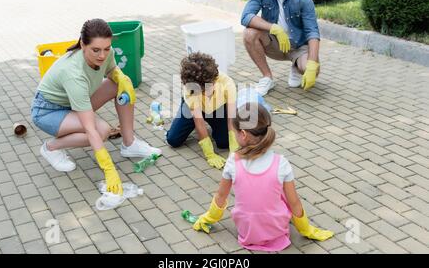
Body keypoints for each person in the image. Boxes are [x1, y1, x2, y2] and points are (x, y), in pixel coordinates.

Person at [31, 19, 161, 195]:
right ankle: (51, 148)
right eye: (96, 50)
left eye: (106, 48)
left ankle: (129, 144)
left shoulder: (107, 53)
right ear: (83, 44)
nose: (102, 55)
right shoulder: (73, 73)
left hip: (74, 101)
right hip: (49, 111)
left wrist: (120, 77)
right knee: (101, 131)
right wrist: (108, 169)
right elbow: (89, 129)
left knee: (122, 84)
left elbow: (111, 71)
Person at [192, 103, 333, 251]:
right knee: (284, 195)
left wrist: (208, 218)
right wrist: (306, 229)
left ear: (243, 134)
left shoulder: (233, 161)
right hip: (277, 233)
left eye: (234, 132)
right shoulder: (281, 163)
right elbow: (295, 203)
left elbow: (221, 197)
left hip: (247, 234)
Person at [241, 0, 321, 96]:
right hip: (275, 43)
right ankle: (267, 78)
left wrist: (312, 64)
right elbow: (246, 16)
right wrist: (274, 28)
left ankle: (297, 66)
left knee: (313, 70)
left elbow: (312, 31)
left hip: (298, 45)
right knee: (249, 33)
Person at [166, 52, 239, 170]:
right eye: (203, 91)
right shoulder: (191, 88)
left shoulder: (227, 82)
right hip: (194, 110)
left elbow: (232, 118)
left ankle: (214, 126)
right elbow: (199, 122)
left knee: (224, 143)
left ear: (214, 79)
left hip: (218, 109)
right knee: (173, 140)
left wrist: (235, 150)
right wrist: (209, 154)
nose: (207, 92)